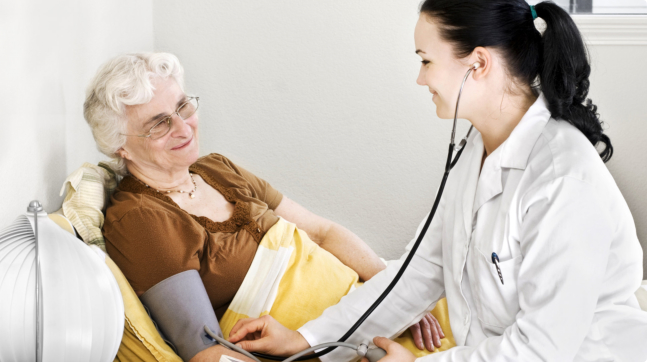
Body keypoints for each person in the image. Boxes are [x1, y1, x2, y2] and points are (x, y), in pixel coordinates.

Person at [227, 1, 647, 361]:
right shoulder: (475, 154)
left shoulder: (564, 178)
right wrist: (309, 339)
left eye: (426, 60)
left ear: (477, 64)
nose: (420, 78)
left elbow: (542, 349)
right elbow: (420, 270)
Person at [84, 53, 445, 362]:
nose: (183, 127)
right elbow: (209, 352)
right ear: (121, 147)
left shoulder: (216, 168)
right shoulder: (141, 220)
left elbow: (323, 232)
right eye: (159, 123)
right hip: (333, 347)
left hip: (365, 312)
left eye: (182, 107)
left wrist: (394, 292)